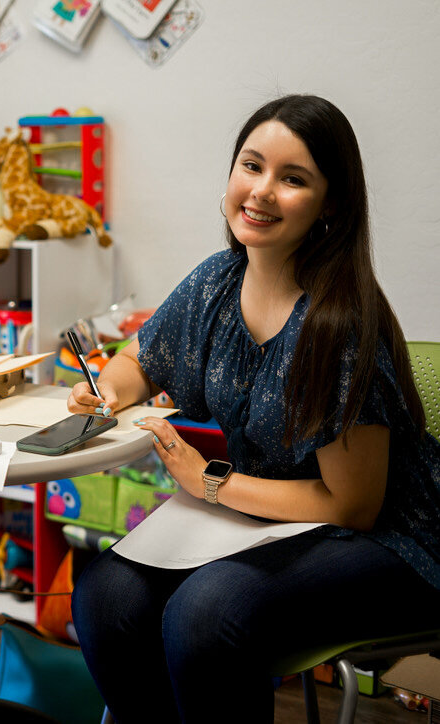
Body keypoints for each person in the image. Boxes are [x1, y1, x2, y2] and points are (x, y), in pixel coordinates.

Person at [66, 94, 440, 723]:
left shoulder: (338, 322)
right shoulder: (216, 280)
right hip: (268, 517)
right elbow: (140, 359)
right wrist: (110, 387)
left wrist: (209, 482)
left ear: (331, 205)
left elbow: (353, 505)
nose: (261, 191)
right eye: (251, 165)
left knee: (206, 613)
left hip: (389, 541)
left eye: (293, 179)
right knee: (105, 597)